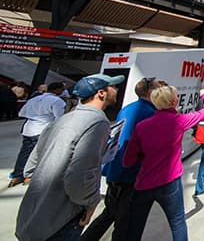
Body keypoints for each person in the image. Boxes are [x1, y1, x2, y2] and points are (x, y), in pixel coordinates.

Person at [15, 73, 123, 241]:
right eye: (114, 87)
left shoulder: (64, 119)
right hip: (62, 218)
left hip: (33, 214)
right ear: (101, 93)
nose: (117, 90)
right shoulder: (97, 123)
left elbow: (30, 168)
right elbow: (80, 175)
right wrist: (90, 203)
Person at [123, 86, 204, 241]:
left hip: (144, 182)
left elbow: (128, 160)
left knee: (135, 225)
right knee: (177, 222)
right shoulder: (179, 121)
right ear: (174, 101)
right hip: (170, 182)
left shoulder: (142, 126)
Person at [80, 77, 160, 241]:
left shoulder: (128, 108)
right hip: (132, 175)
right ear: (150, 92)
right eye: (159, 88)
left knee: (110, 213)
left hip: (115, 171)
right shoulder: (150, 114)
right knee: (127, 222)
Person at [9, 81, 66, 187]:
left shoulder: (34, 99)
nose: (63, 92)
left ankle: (18, 175)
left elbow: (21, 113)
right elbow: (60, 117)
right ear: (57, 90)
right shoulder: (57, 101)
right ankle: (30, 176)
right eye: (62, 90)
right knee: (40, 155)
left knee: (24, 153)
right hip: (43, 129)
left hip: (28, 129)